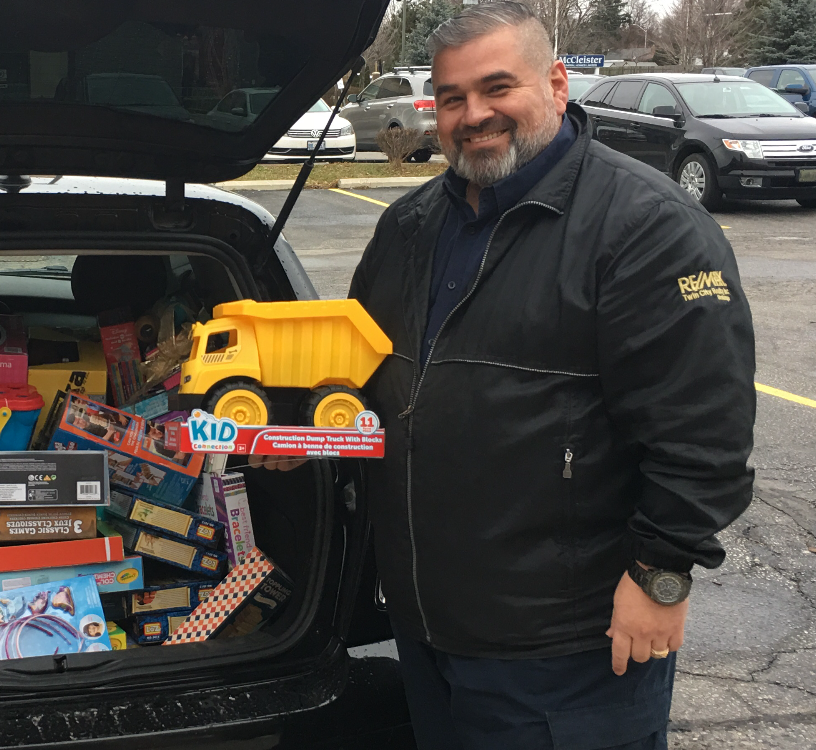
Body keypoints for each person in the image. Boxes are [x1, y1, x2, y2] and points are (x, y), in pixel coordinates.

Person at [255, 3, 755, 748]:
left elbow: (703, 432)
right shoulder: (411, 226)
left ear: (556, 83)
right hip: (429, 626)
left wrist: (661, 576)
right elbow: (357, 377)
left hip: (568, 645)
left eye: (497, 88)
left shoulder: (645, 226)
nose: (473, 115)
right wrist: (298, 433)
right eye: (453, 97)